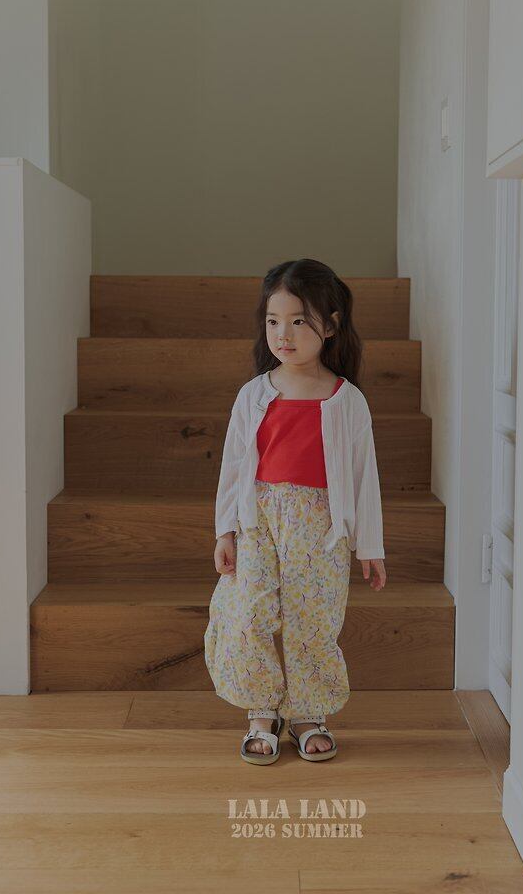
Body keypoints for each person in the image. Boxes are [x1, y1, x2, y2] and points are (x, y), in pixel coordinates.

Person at [204, 258, 386, 765]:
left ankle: (308, 711)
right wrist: (225, 531)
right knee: (251, 611)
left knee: (314, 618)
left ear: (330, 326)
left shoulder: (347, 400)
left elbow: (364, 476)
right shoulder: (253, 395)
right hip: (258, 519)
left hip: (321, 526)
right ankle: (262, 710)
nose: (282, 334)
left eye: (299, 321)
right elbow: (234, 466)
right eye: (273, 321)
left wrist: (370, 546)